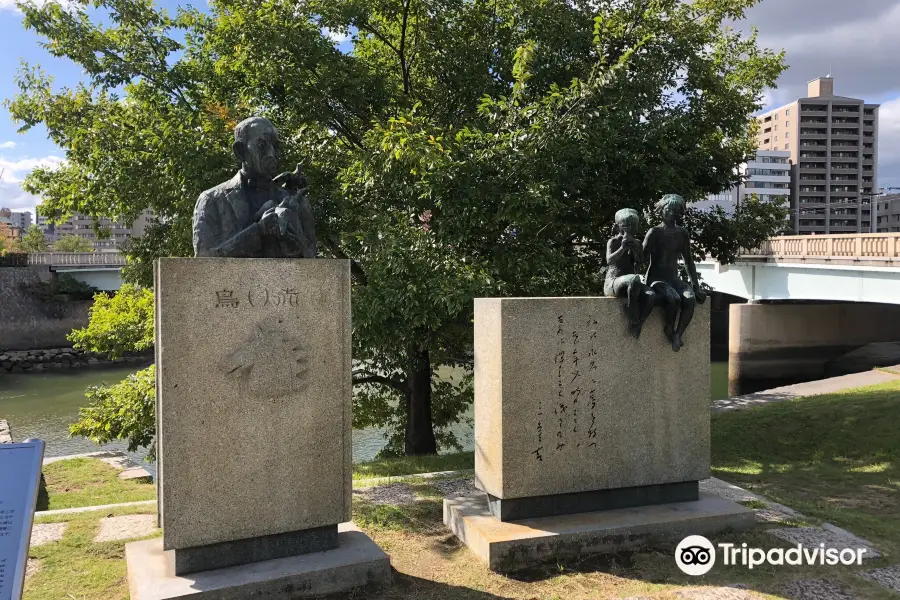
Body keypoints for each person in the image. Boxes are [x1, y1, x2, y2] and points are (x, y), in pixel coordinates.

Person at [192, 116, 316, 258]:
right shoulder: (211, 200)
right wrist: (258, 232)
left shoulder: (296, 201)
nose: (272, 154)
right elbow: (203, 260)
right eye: (262, 146)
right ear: (241, 151)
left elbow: (311, 259)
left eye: (275, 146)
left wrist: (293, 230)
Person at [643, 194, 707, 351]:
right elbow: (642, 257)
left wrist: (695, 285)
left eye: (676, 210)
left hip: (673, 278)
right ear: (662, 210)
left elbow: (688, 261)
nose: (672, 213)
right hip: (656, 279)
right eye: (669, 209)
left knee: (690, 298)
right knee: (673, 298)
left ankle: (678, 333)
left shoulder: (682, 233)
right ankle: (669, 328)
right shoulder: (654, 232)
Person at [604, 208, 656, 338]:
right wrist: (622, 248)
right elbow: (610, 260)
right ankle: (632, 312)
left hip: (633, 283)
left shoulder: (637, 243)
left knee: (650, 295)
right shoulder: (614, 241)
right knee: (633, 279)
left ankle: (638, 323)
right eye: (626, 225)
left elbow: (638, 266)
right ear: (618, 226)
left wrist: (634, 252)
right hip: (614, 282)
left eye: (632, 225)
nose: (629, 229)